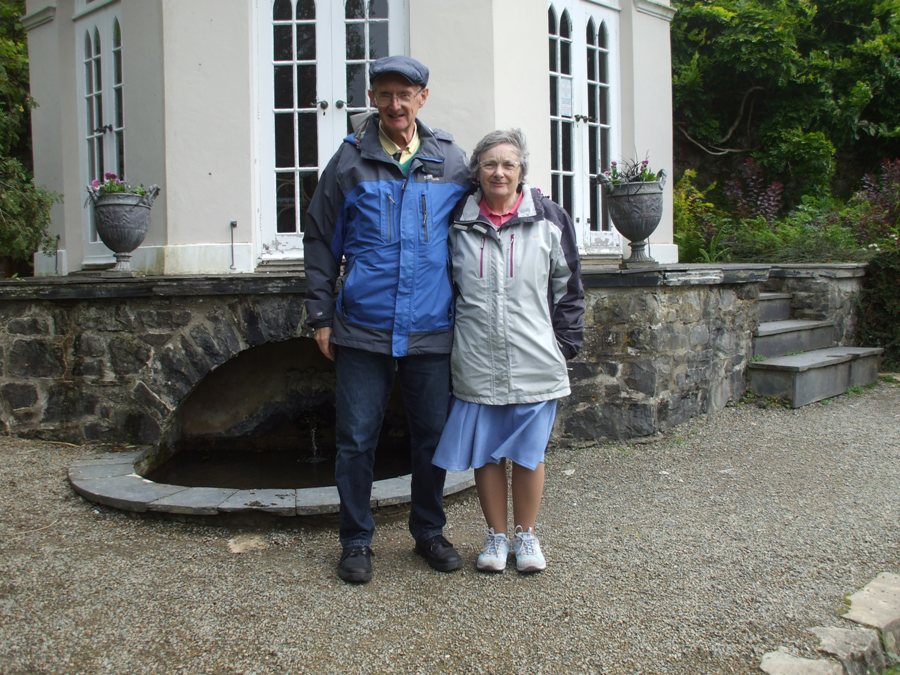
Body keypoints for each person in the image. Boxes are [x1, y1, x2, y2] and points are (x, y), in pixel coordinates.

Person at [303, 56, 470, 584]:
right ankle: (355, 540)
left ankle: (428, 531)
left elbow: (482, 223)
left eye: (405, 94)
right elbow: (320, 239)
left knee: (432, 437)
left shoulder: (450, 160)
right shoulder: (349, 162)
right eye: (384, 94)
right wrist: (320, 314)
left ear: (422, 96)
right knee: (355, 439)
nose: (395, 105)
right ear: (372, 98)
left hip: (431, 327)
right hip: (362, 327)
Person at [432, 128, 584, 574]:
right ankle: (496, 537)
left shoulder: (549, 220)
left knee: (529, 453)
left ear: (521, 172)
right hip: (477, 358)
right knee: (486, 452)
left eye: (508, 164)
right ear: (476, 172)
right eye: (490, 164)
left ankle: (527, 536)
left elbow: (569, 287)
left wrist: (565, 343)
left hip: (535, 358)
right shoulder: (456, 222)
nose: (499, 172)